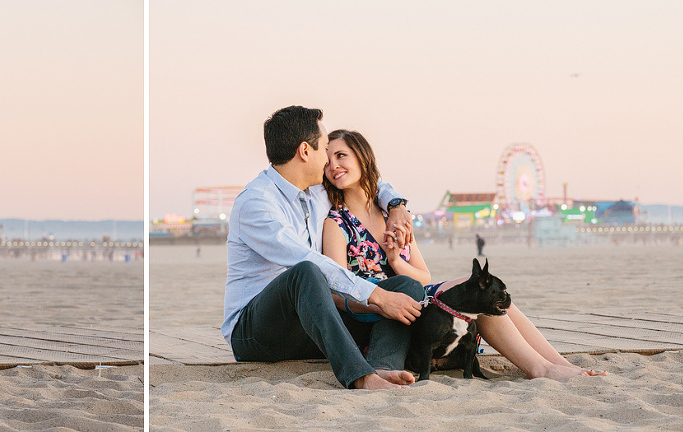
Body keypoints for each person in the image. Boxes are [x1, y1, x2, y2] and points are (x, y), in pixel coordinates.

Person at [319, 129, 605, 380]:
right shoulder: (336, 224)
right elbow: (338, 289)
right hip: (382, 317)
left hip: (417, 300)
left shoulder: (394, 216)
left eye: (341, 155)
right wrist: (383, 299)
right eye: (328, 161)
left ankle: (558, 363)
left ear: (362, 156)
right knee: (476, 295)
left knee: (487, 293)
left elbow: (423, 276)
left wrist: (395, 261)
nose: (334, 165)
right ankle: (540, 369)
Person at [224, 106, 425, 390]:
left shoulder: (315, 193)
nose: (329, 163)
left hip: (312, 325)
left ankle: (383, 367)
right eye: (324, 150)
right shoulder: (257, 203)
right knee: (306, 272)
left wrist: (396, 204)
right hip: (257, 334)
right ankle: (360, 377)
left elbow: (370, 180)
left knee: (404, 286)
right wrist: (377, 296)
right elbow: (305, 261)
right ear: (305, 151)